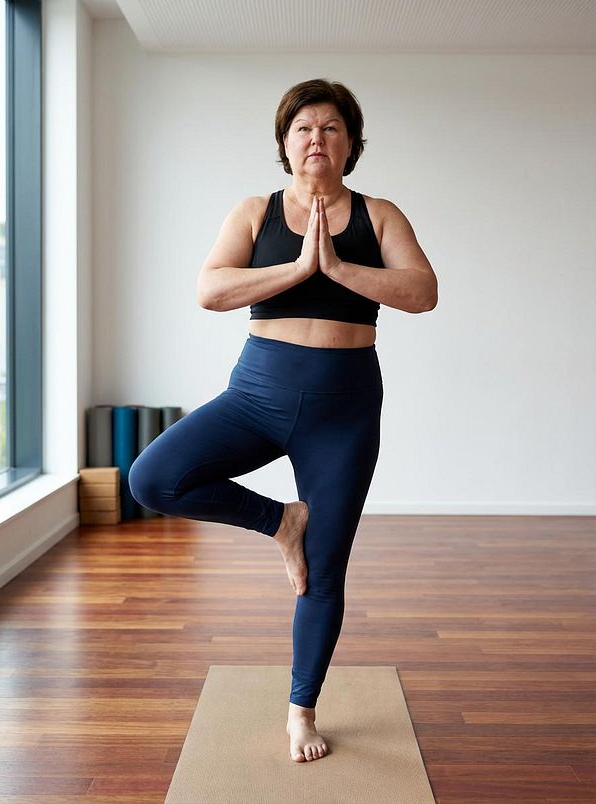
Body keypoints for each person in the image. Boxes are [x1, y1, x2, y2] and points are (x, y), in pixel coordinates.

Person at [128, 78, 437, 763]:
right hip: (257, 396)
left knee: (325, 571)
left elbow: (422, 292)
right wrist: (298, 267)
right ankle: (280, 521)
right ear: (284, 144)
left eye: (330, 128)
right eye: (303, 129)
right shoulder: (254, 212)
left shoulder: (378, 215)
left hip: (345, 411)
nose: (316, 139)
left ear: (351, 144)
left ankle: (302, 710)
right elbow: (211, 289)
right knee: (152, 478)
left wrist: (339, 267)